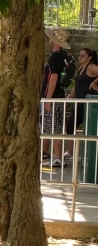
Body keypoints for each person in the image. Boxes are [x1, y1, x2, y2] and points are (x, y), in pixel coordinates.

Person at [41, 29, 74, 168]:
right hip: (59, 96)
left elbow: (53, 78)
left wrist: (48, 99)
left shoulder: (55, 57)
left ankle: (58, 157)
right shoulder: (66, 56)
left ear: (55, 41)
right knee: (58, 128)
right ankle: (58, 157)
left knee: (53, 128)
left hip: (53, 97)